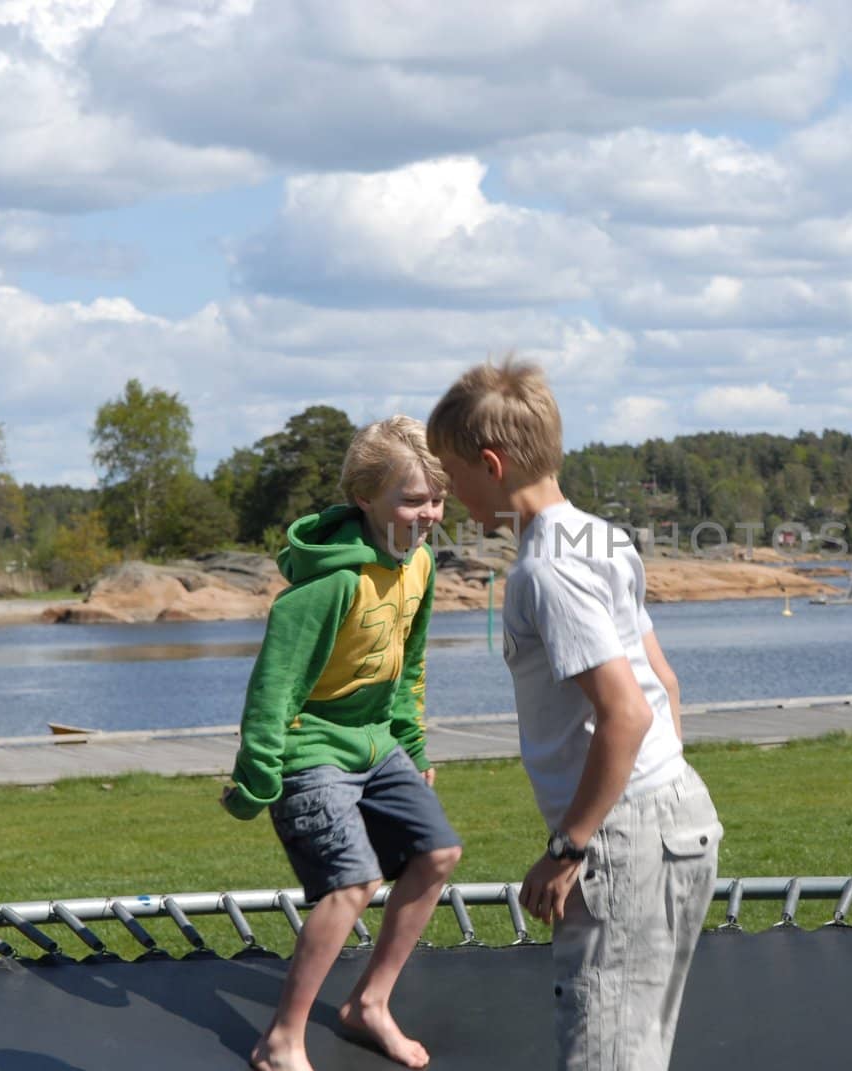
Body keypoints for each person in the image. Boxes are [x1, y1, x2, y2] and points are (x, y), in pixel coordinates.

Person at [427, 359, 722, 1071]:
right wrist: (656, 798)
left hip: (623, 836)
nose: (450, 494)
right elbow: (665, 685)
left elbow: (626, 712)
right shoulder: (600, 536)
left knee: (606, 1054)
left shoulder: (546, 569)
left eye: (452, 476)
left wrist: (572, 846)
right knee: (638, 1046)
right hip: (678, 812)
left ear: (491, 465)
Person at [221, 415, 463, 1071]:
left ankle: (369, 1004)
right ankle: (280, 1041)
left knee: (438, 852)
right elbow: (272, 691)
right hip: (309, 746)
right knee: (352, 881)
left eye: (436, 499)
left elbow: (407, 668)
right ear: (366, 496)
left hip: (375, 741)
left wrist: (412, 748)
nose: (429, 513)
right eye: (413, 499)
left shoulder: (419, 565)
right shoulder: (327, 585)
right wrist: (256, 779)